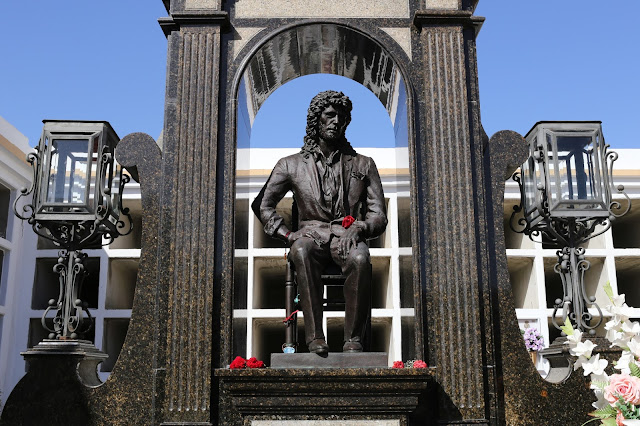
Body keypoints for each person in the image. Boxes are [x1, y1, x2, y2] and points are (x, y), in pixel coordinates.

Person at [252, 90, 387, 354]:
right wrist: (287, 235)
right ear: (317, 120)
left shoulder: (364, 164)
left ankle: (354, 340)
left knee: (361, 259)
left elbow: (378, 215)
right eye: (330, 115)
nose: (336, 121)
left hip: (347, 237)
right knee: (300, 250)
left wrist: (361, 227)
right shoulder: (290, 165)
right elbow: (262, 205)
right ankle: (314, 337)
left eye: (342, 117)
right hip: (310, 236)